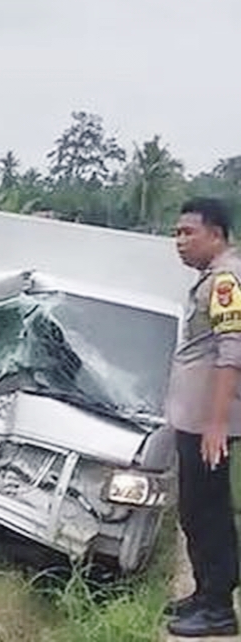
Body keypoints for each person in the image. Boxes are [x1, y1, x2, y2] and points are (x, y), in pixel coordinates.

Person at [164, 197, 241, 638]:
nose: (179, 242)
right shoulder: (211, 279)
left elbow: (232, 353)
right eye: (176, 233)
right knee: (194, 510)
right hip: (196, 420)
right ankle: (204, 592)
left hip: (211, 425)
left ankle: (218, 609)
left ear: (216, 234)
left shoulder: (226, 280)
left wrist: (216, 424)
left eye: (187, 232)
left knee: (206, 511)